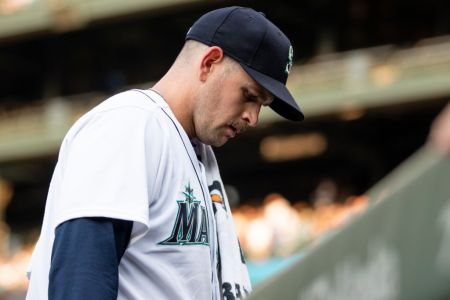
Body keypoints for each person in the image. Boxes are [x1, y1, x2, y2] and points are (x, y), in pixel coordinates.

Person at [26, 6, 304, 300]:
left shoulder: (196, 151)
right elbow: (81, 276)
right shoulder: (129, 124)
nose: (253, 117)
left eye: (261, 104)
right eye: (249, 95)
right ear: (209, 63)